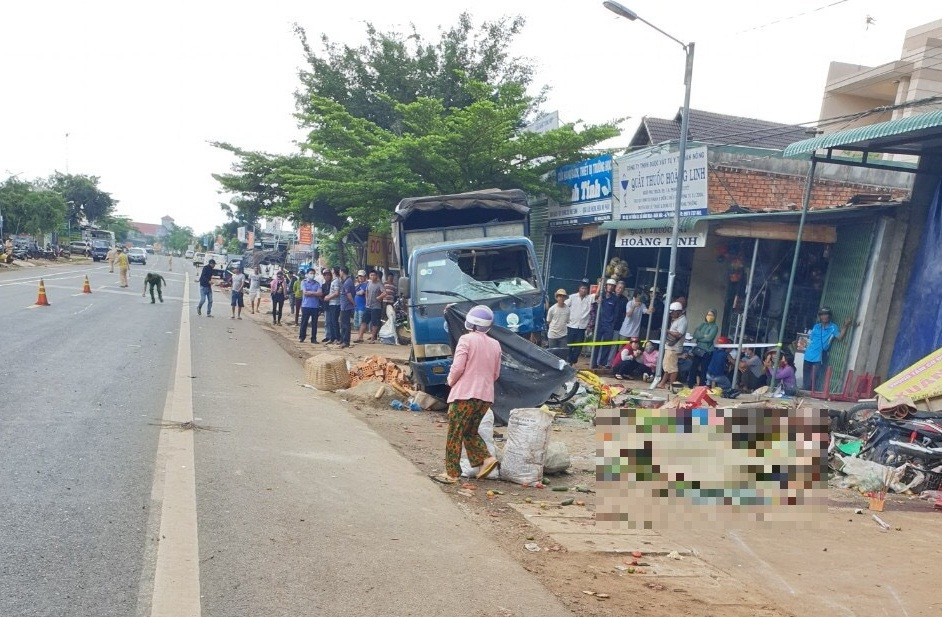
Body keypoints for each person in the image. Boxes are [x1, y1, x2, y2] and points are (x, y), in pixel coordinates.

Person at [432, 305, 502, 485]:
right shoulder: (495, 345)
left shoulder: (466, 340)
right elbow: (496, 374)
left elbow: (457, 367)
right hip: (485, 397)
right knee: (470, 431)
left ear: (470, 323)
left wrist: (450, 381)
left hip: (464, 395)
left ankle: (452, 473)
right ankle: (486, 459)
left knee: (455, 433)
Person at [803, 306, 852, 391]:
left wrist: (845, 325)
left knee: (814, 378)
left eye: (826, 314)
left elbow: (840, 337)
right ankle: (804, 392)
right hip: (808, 354)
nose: (824, 316)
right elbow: (811, 339)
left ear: (829, 316)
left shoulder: (833, 327)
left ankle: (811, 393)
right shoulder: (816, 327)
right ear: (820, 317)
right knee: (806, 377)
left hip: (819, 357)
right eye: (822, 315)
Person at [656, 301, 688, 389]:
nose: (671, 314)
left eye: (673, 312)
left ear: (678, 311)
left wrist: (667, 331)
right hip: (670, 346)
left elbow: (678, 334)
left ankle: (672, 385)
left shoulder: (682, 321)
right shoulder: (676, 320)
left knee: (672, 368)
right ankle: (662, 383)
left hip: (674, 348)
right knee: (667, 366)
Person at [591, 279, 619, 369]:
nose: (610, 287)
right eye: (609, 285)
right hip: (599, 324)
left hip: (609, 325)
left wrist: (612, 324)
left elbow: (616, 313)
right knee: (596, 344)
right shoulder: (600, 296)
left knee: (606, 345)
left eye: (612, 286)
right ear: (606, 286)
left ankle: (602, 363)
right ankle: (593, 362)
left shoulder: (615, 299)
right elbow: (593, 305)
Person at [687, 309, 719, 387]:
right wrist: (704, 335)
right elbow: (695, 335)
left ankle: (701, 386)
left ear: (715, 317)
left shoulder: (715, 327)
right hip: (698, 349)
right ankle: (690, 385)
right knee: (693, 367)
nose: (709, 317)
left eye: (711, 315)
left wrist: (701, 336)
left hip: (707, 351)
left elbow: (709, 339)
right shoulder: (702, 324)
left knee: (704, 369)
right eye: (708, 314)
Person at [565, 279, 594, 365]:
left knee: (578, 347)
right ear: (579, 289)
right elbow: (565, 306)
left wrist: (600, 283)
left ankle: (572, 361)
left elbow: (597, 295)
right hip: (571, 325)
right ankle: (568, 362)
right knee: (569, 345)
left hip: (582, 327)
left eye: (585, 288)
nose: (583, 290)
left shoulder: (589, 298)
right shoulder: (572, 297)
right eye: (582, 288)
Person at [298, 270, 323, 343]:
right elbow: (305, 293)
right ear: (307, 274)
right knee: (304, 322)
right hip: (306, 305)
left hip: (315, 306)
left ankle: (313, 338)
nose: (312, 275)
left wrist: (310, 293)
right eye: (310, 273)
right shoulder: (304, 282)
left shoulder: (317, 283)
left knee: (314, 323)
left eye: (313, 273)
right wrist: (315, 293)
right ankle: (302, 337)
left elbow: (320, 293)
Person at [364, 270, 385, 343]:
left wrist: (378, 298)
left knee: (375, 323)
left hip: (376, 306)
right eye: (371, 275)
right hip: (369, 306)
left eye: (374, 275)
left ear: (377, 276)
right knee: (366, 322)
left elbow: (384, 293)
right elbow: (366, 291)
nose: (373, 277)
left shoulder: (380, 284)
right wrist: (366, 299)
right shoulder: (369, 283)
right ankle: (362, 337)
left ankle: (373, 338)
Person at [322, 268, 341, 345]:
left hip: (335, 303)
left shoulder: (336, 281)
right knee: (331, 322)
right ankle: (332, 338)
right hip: (330, 304)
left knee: (334, 322)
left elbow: (336, 293)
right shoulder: (328, 283)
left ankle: (337, 338)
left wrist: (328, 297)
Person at [339, 267, 356, 348]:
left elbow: (348, 295)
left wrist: (353, 303)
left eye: (340, 271)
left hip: (346, 306)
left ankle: (346, 341)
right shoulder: (346, 281)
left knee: (345, 325)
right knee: (343, 324)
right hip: (344, 306)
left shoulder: (347, 282)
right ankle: (342, 340)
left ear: (342, 272)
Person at [353, 270, 368, 342]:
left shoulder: (366, 284)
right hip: (356, 306)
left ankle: (360, 337)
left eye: (362, 276)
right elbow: (354, 292)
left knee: (361, 322)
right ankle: (359, 336)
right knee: (356, 323)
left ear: (365, 277)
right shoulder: (358, 285)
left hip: (362, 306)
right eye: (359, 276)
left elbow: (361, 293)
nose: (360, 278)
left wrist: (358, 292)